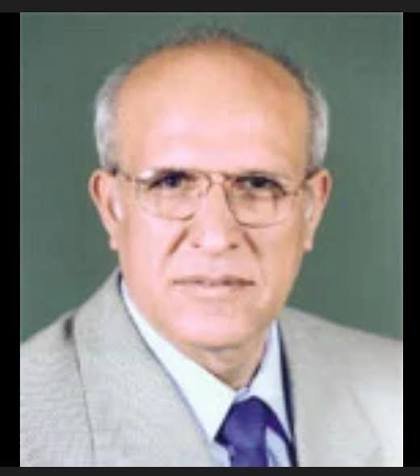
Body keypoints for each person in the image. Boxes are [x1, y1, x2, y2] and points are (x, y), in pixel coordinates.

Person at [20, 28, 402, 467]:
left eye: (258, 184)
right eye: (171, 183)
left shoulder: (394, 386)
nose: (217, 236)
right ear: (111, 208)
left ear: (311, 209)